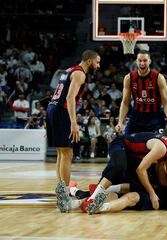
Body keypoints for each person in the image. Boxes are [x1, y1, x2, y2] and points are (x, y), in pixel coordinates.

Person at [46, 49, 100, 213]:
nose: (98, 65)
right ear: (89, 61)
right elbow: (70, 98)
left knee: (61, 154)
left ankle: (62, 195)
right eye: (97, 62)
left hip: (52, 109)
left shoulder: (68, 70)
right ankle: (65, 198)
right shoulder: (80, 74)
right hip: (61, 112)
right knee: (67, 154)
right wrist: (73, 123)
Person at [115, 50, 167, 135]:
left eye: (145, 60)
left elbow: (166, 103)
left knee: (158, 145)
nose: (142, 63)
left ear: (149, 61)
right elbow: (125, 102)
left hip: (155, 117)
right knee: (126, 142)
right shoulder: (129, 78)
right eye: (140, 60)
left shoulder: (158, 77)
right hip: (137, 116)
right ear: (136, 61)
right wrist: (120, 122)